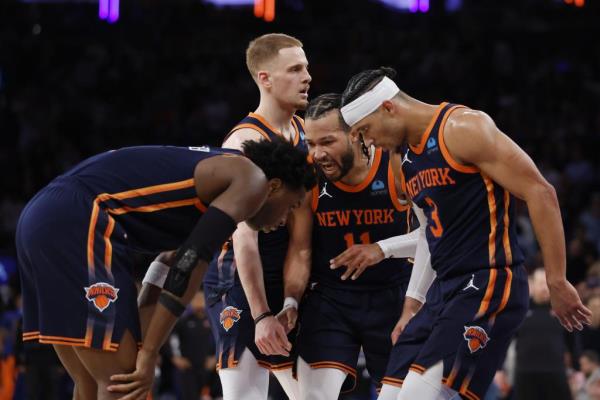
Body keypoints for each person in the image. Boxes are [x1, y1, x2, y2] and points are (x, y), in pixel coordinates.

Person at [337, 66, 592, 400]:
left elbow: (540, 192)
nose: (368, 142)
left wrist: (557, 280)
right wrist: (412, 306)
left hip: (488, 280)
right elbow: (431, 234)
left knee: (420, 396)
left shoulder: (462, 128)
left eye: (366, 130)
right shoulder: (406, 161)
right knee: (389, 395)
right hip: (443, 292)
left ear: (389, 108)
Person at [16, 138, 315, 400]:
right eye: (293, 205)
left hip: (40, 216)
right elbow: (190, 261)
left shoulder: (217, 174)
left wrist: (144, 343)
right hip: (79, 218)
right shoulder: (252, 180)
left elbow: (166, 263)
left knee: (92, 382)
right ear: (274, 186)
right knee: (123, 384)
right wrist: (147, 355)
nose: (286, 218)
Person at [282, 93, 429, 399]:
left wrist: (381, 248)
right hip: (331, 297)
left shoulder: (395, 164)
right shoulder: (308, 175)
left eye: (327, 141)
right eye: (311, 143)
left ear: (355, 134)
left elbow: (434, 235)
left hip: (392, 293)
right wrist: (291, 302)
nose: (317, 153)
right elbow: (300, 249)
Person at [203, 33, 311, 400]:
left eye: (306, 68)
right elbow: (243, 237)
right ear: (265, 78)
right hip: (237, 277)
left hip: (280, 273)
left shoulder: (300, 132)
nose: (307, 77)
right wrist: (262, 314)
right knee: (245, 395)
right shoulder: (244, 143)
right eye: (295, 70)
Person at [514, 268, 573, 400]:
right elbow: (505, 339)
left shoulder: (564, 309)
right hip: (525, 371)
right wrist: (499, 369)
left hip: (555, 371)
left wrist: (577, 368)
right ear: (532, 284)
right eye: (541, 283)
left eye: (547, 284)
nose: (545, 288)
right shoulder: (520, 308)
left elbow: (573, 341)